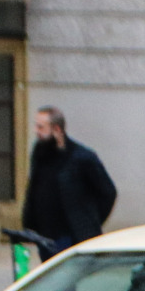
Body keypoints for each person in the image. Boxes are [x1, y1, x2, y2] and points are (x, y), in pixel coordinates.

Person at [22, 106, 119, 259]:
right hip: (44, 234)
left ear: (56, 129)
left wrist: (90, 221)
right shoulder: (39, 152)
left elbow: (108, 192)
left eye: (41, 127)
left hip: (68, 235)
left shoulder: (82, 158)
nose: (36, 131)